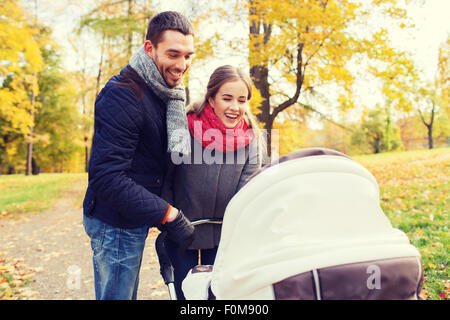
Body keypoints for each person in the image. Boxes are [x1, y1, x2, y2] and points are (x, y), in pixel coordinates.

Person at [82, 11, 196, 300]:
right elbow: (107, 178)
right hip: (115, 222)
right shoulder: (123, 94)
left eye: (187, 55)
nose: (182, 65)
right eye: (173, 54)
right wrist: (167, 214)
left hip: (132, 218)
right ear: (149, 48)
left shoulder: (165, 92)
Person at [162, 65, 264, 299]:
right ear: (211, 98)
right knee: (185, 294)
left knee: (217, 294)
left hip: (223, 234)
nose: (235, 107)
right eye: (227, 98)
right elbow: (167, 177)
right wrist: (168, 216)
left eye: (242, 100)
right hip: (181, 228)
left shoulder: (252, 139)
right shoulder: (185, 128)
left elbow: (247, 190)